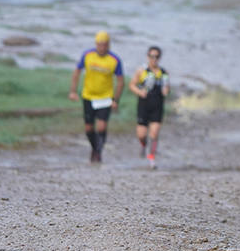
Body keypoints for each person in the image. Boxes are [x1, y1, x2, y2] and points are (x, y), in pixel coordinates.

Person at [68, 31, 125, 163]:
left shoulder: (114, 59)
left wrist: (116, 100)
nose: (102, 47)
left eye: (105, 45)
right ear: (96, 44)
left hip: (106, 97)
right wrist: (73, 91)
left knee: (101, 127)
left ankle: (98, 153)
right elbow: (77, 72)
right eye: (99, 44)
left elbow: (121, 81)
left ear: (108, 45)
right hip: (88, 96)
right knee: (88, 128)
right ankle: (95, 148)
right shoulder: (87, 55)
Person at [128, 46, 170, 169]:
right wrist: (139, 92)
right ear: (148, 57)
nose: (154, 59)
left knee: (154, 133)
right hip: (144, 105)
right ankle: (143, 145)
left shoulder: (163, 73)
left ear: (159, 58)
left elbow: (167, 87)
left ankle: (152, 159)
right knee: (141, 134)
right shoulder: (142, 71)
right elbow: (132, 85)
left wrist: (166, 90)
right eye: (152, 56)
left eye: (156, 57)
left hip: (157, 105)